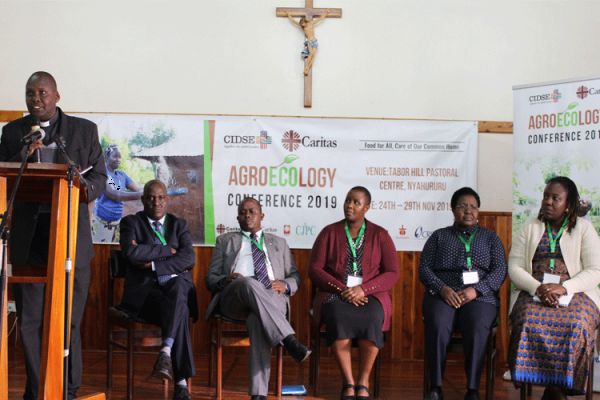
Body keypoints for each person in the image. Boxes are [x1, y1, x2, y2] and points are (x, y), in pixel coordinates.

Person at [0, 71, 107, 399]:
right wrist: (22, 158)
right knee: (31, 321)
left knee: (68, 320)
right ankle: (37, 389)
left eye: (42, 93)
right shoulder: (12, 132)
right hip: (29, 239)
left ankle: (68, 390)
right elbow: (3, 175)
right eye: (30, 93)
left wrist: (85, 187)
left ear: (57, 96)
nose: (36, 99)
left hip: (70, 237)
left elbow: (104, 179)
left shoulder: (82, 131)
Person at [205, 197, 310, 400]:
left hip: (271, 296)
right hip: (235, 296)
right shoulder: (225, 241)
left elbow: (295, 275)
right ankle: (289, 339)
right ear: (237, 218)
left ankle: (258, 394)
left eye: (252, 211)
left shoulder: (280, 243)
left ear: (262, 215)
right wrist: (226, 279)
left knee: (258, 319)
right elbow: (210, 279)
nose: (247, 215)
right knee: (249, 282)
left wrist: (287, 285)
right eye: (243, 212)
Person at [507, 176, 600, 400]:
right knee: (527, 320)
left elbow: (595, 270)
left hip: (576, 292)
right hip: (534, 290)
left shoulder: (584, 229)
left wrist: (565, 288)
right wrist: (538, 288)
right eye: (546, 196)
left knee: (576, 323)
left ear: (568, 204)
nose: (548, 201)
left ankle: (558, 388)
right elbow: (515, 267)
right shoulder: (529, 227)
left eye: (555, 198)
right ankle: (552, 388)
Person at [309, 186, 399, 400]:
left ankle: (363, 381)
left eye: (356, 202)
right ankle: (348, 381)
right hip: (335, 293)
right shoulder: (329, 232)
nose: (349, 205)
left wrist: (363, 289)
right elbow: (314, 269)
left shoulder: (380, 235)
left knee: (373, 317)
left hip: (371, 295)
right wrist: (342, 289)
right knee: (338, 316)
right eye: (348, 200)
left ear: (366, 207)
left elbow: (392, 273)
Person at [419, 187, 507, 400]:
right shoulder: (439, 236)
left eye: (473, 207)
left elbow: (500, 270)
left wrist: (476, 290)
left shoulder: (490, 238)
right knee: (438, 325)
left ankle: (473, 388)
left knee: (477, 327)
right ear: (452, 209)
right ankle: (436, 386)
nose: (468, 211)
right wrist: (442, 288)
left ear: (478, 211)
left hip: (479, 296)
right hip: (443, 294)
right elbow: (424, 268)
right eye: (462, 206)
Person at [119, 179, 196, 400]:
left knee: (179, 288)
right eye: (151, 197)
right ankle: (181, 384)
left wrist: (152, 262)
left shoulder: (178, 225)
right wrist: (168, 250)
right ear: (143, 199)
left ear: (167, 199)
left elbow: (189, 258)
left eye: (161, 197)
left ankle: (166, 352)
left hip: (173, 293)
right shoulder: (130, 222)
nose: (156, 202)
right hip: (145, 297)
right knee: (179, 306)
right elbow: (131, 254)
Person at [92, 143, 142, 243]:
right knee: (101, 252)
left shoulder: (122, 175)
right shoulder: (103, 174)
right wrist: (143, 194)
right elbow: (115, 195)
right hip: (102, 223)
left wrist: (150, 190)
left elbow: (138, 189)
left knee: (114, 252)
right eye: (115, 156)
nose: (118, 159)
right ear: (106, 157)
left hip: (117, 223)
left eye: (120, 157)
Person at [287, 11, 330, 75]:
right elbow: (293, 21)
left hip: (314, 41)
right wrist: (288, 15)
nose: (302, 25)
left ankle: (307, 69)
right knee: (311, 54)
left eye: (302, 24)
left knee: (314, 56)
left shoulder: (311, 23)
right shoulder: (303, 27)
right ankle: (305, 67)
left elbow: (320, 19)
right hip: (309, 41)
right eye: (301, 24)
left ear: (304, 21)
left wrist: (326, 13)